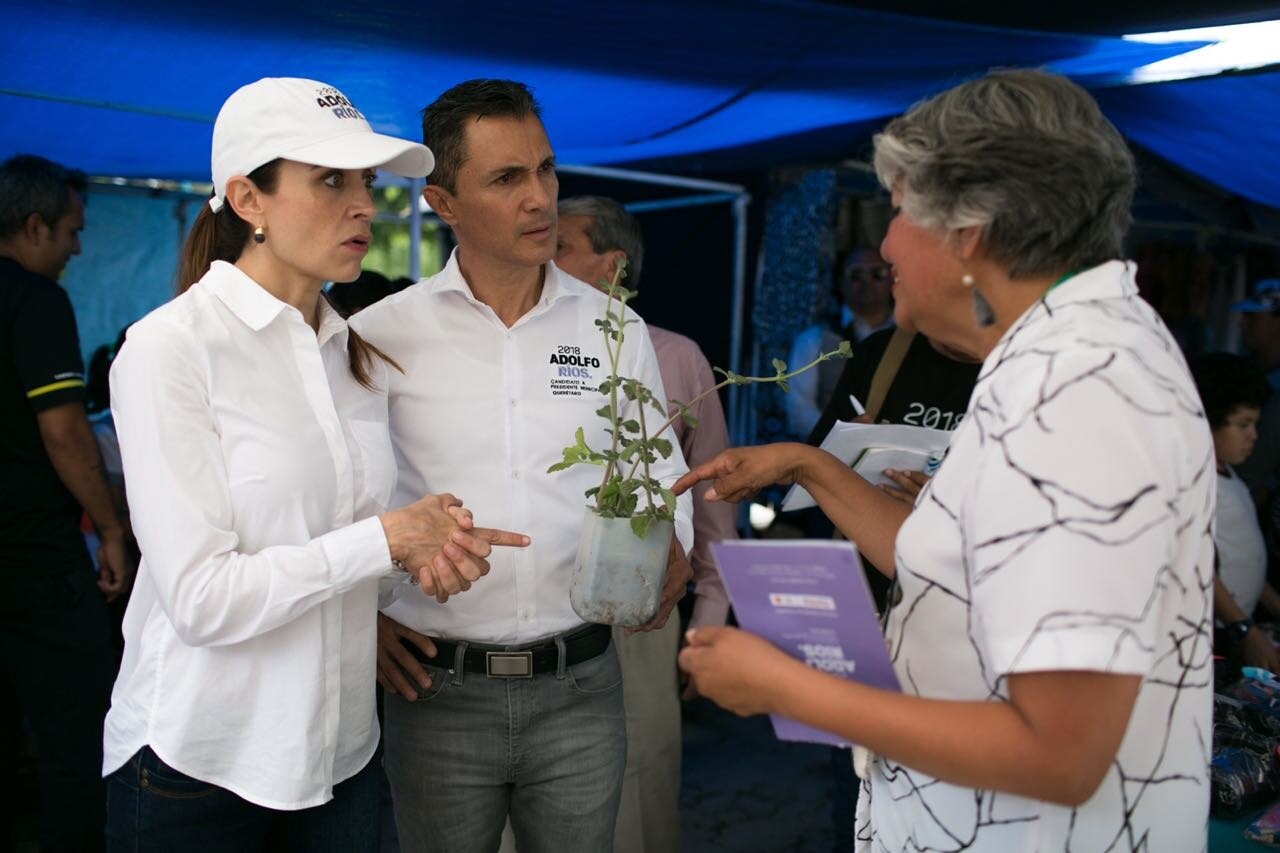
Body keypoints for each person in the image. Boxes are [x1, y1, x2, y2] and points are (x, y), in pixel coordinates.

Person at [676, 69, 1213, 850]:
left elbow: (1061, 754)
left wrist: (789, 686)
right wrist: (813, 466)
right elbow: (954, 565)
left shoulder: (1080, 389)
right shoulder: (1051, 357)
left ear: (970, 231)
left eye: (897, 213)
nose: (886, 244)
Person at [102, 77, 528, 852]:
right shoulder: (171, 350)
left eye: (365, 181)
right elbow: (202, 598)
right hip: (202, 763)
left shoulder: (347, 352)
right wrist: (388, 540)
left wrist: (425, 558)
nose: (363, 203)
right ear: (247, 199)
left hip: (338, 757)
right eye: (330, 179)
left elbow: (334, 544)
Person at [352, 80, 693, 853]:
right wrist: (360, 619)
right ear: (442, 201)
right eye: (507, 178)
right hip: (437, 688)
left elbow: (660, 470)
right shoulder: (379, 336)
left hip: (580, 683)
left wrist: (678, 541)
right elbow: (343, 506)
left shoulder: (614, 327)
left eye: (545, 169)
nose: (539, 196)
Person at [555, 194, 736, 853]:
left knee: (639, 787)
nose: (544, 261)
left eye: (561, 248)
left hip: (642, 609)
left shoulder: (676, 357)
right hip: (533, 614)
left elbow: (713, 496)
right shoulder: (521, 353)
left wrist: (709, 616)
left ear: (614, 266)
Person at [0, 153, 128, 852]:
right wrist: (108, 527)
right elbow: (63, 429)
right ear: (34, 225)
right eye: (72, 232)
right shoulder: (34, 298)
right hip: (32, 557)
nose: (77, 248)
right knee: (77, 736)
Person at [1189, 353, 1279, 670]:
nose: (1253, 435)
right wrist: (1244, 629)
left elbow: (1243, 555)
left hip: (1240, 627)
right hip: (1217, 632)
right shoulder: (1197, 481)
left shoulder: (1229, 476)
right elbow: (1199, 565)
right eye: (1243, 424)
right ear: (1207, 420)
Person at [786, 249, 894, 437]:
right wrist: (843, 438)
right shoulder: (814, 339)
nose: (866, 282)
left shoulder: (912, 337)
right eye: (855, 274)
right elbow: (799, 413)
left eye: (877, 273)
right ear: (840, 282)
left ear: (893, 279)